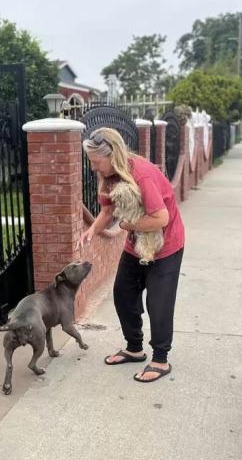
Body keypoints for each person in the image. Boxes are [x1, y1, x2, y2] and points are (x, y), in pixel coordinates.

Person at [78, 127, 185, 383]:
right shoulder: (111, 177)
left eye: (96, 162)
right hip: (135, 245)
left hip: (165, 246)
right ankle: (134, 348)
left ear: (112, 155)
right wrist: (91, 231)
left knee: (158, 303)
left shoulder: (142, 175)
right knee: (123, 294)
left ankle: (160, 359)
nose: (93, 168)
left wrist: (127, 226)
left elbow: (160, 218)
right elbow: (107, 211)